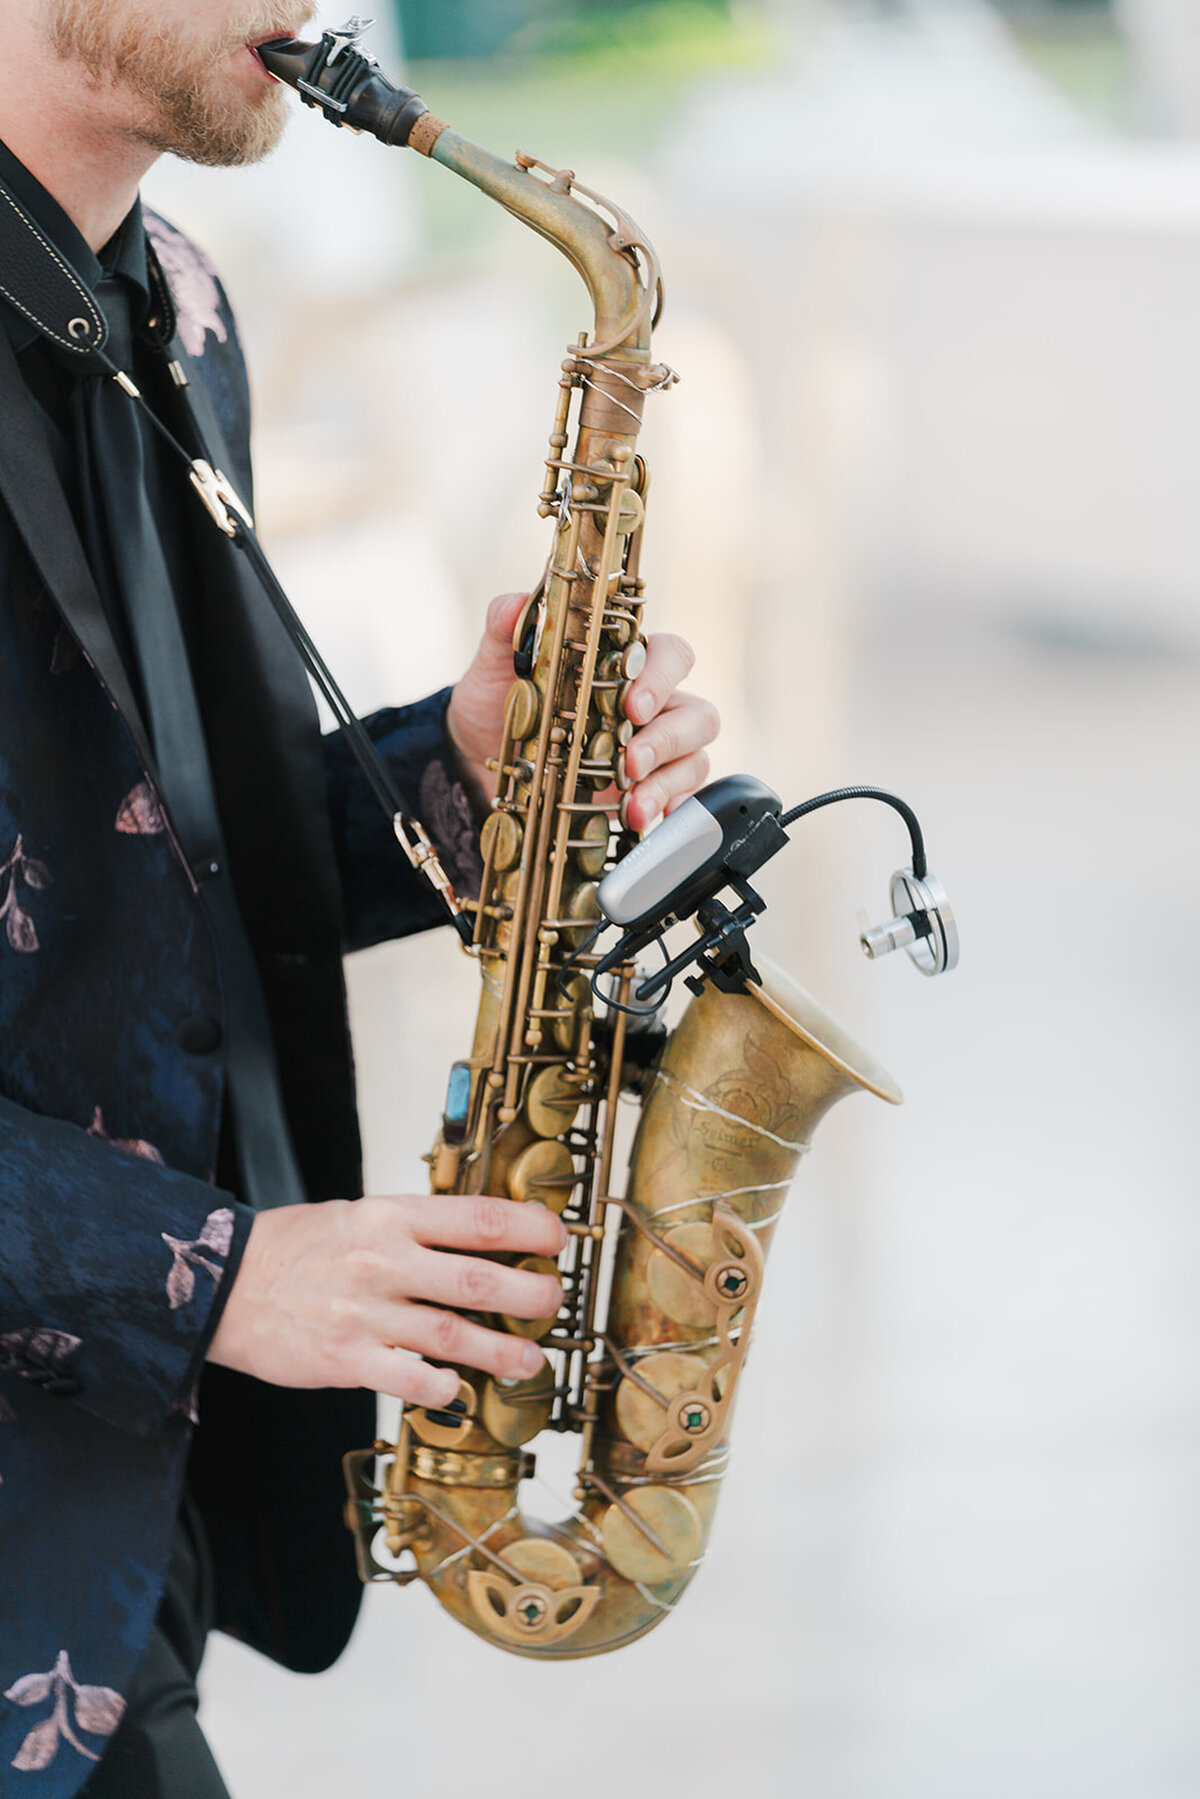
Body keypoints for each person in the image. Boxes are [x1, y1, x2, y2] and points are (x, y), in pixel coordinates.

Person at [0, 4, 720, 1794]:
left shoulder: (170, 299)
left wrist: (467, 776)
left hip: (103, 1519)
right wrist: (210, 1276)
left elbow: (160, 859)